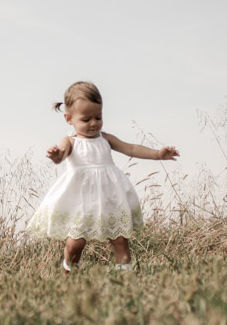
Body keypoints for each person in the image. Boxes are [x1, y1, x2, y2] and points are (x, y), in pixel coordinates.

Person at [26, 81, 179, 272]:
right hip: (81, 200)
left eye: (98, 117)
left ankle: (125, 278)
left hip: (109, 198)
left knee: (120, 239)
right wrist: (56, 155)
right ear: (69, 118)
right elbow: (61, 155)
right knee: (76, 243)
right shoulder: (70, 141)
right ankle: (68, 272)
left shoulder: (106, 139)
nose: (93, 123)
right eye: (86, 119)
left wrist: (158, 154)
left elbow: (130, 148)